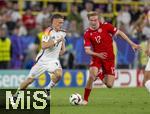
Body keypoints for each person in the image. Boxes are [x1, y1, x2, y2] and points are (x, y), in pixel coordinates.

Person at [81, 11, 141, 105]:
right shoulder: (87, 33)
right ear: (89, 20)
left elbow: (120, 33)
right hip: (97, 57)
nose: (94, 22)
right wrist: (98, 54)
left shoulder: (106, 26)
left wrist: (132, 44)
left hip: (109, 58)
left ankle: (99, 73)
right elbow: (87, 50)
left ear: (98, 19)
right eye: (91, 20)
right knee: (92, 76)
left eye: (95, 20)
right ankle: (85, 99)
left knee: (109, 85)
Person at [11, 14, 66, 103]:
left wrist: (62, 50)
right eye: (60, 22)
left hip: (53, 60)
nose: (61, 24)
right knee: (29, 81)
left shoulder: (63, 32)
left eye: (62, 23)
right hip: (42, 60)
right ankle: (16, 95)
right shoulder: (47, 31)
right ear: (54, 22)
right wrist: (56, 40)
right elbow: (44, 46)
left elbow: (62, 44)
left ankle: (47, 89)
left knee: (59, 74)